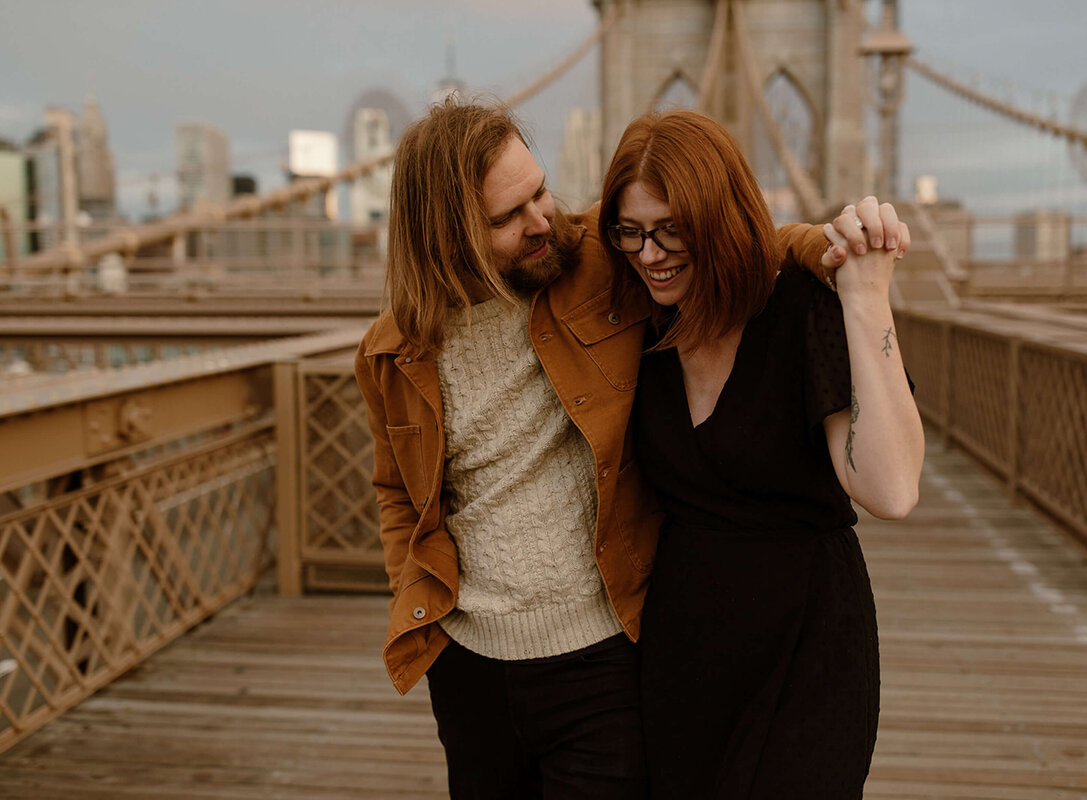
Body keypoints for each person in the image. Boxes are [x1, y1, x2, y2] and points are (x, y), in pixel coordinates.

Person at [354, 97, 906, 799]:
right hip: (468, 667)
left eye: (541, 191)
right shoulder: (390, 353)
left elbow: (717, 235)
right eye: (506, 217)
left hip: (605, 657)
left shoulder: (592, 262)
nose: (542, 220)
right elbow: (395, 491)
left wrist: (826, 252)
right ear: (446, 236)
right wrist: (414, 591)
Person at [598, 109, 924, 799]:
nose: (649, 253)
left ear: (718, 218)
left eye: (670, 230)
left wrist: (866, 298)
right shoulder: (638, 318)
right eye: (631, 232)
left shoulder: (799, 307)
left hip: (808, 648)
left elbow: (891, 489)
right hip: (684, 655)